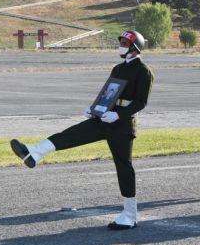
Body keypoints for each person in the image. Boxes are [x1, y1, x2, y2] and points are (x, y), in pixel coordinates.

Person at [10, 30, 153, 230]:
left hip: (122, 124)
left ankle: (129, 215)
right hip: (104, 118)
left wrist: (119, 115)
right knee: (72, 134)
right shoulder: (118, 68)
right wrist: (94, 108)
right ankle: (35, 151)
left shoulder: (143, 71)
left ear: (134, 47)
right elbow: (108, 93)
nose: (120, 45)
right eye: (120, 41)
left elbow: (141, 102)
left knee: (123, 166)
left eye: (124, 42)